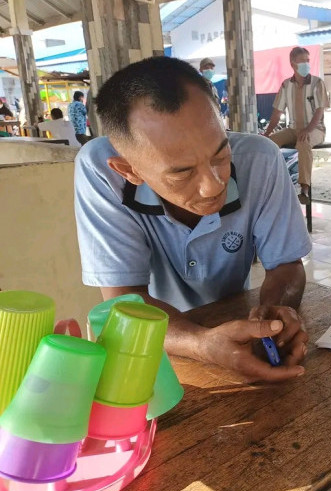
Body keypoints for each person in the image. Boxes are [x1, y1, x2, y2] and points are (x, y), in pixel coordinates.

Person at [74, 56, 312, 383]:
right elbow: (125, 300)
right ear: (130, 171)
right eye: (182, 172)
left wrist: (271, 315)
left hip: (233, 316)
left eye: (221, 154)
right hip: (154, 349)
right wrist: (200, 344)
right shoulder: (100, 171)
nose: (214, 184)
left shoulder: (260, 159)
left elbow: (286, 264)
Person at [264, 47, 329, 205]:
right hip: (293, 129)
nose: (307, 64)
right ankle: (269, 183)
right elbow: (277, 111)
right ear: (293, 64)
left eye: (308, 60)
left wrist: (308, 130)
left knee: (303, 142)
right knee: (268, 144)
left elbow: (320, 111)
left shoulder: (317, 83)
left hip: (316, 129)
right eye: (303, 61)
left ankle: (304, 188)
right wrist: (267, 133)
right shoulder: (286, 85)